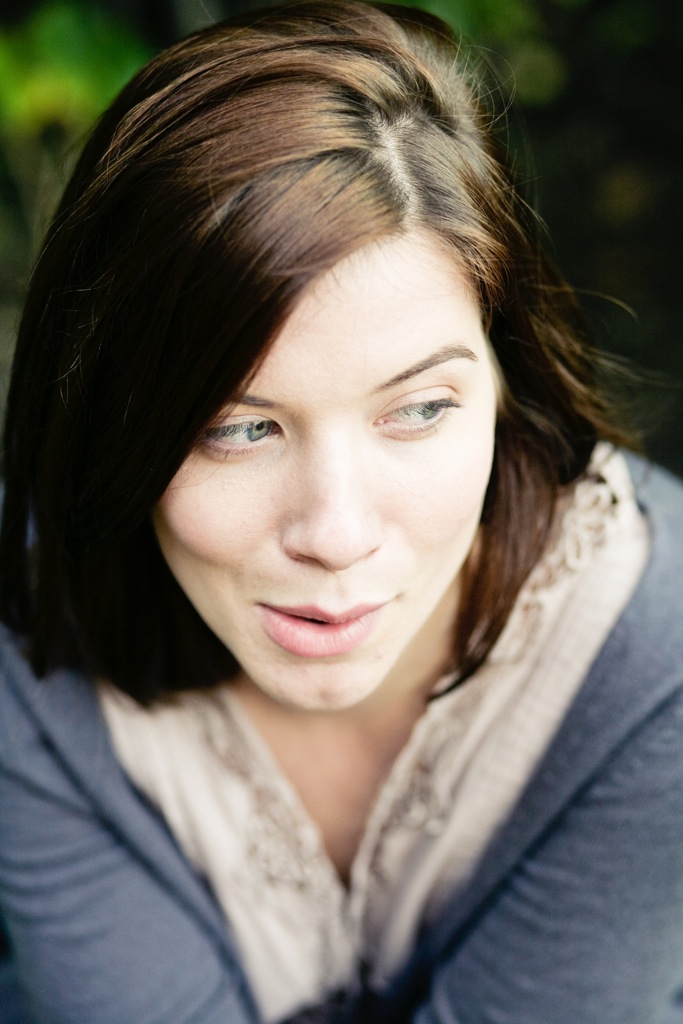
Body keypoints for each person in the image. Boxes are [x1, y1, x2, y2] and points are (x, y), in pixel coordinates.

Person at [0, 2, 681, 1022]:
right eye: (239, 427)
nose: (335, 533)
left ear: (508, 384)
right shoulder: (27, 613)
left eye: (419, 409)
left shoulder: (651, 648)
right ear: (113, 424)